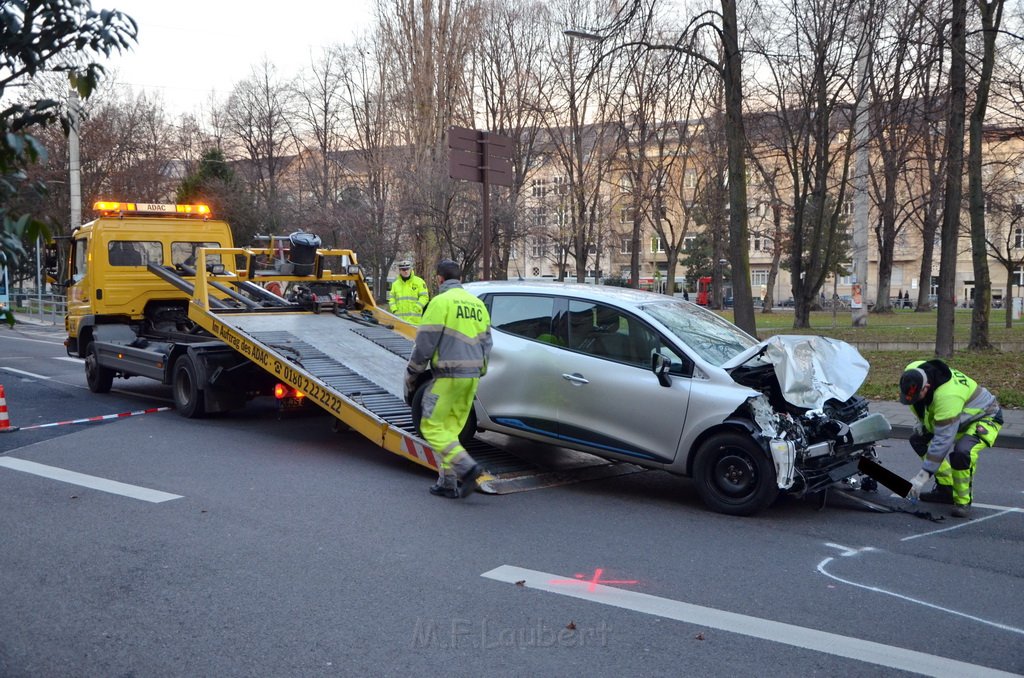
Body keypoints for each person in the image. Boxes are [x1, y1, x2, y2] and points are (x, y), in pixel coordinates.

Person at [404, 259, 492, 499]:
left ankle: (468, 468)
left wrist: (412, 373)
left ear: (439, 279)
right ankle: (447, 482)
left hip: (448, 377)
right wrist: (479, 371)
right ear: (459, 278)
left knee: (431, 426)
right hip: (472, 378)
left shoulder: (439, 303)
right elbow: (487, 343)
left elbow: (424, 345)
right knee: (450, 430)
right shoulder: (477, 305)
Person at [899, 359, 1003, 518]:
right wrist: (921, 421)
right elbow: (921, 404)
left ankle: (962, 501)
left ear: (926, 387)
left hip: (982, 417)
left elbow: (942, 441)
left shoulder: (948, 396)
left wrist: (922, 477)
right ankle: (946, 489)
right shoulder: (914, 371)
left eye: (916, 396)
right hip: (954, 416)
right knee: (917, 440)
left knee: (962, 452)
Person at [388, 259, 429, 325]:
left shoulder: (419, 282)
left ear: (411, 269)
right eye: (403, 269)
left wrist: (417, 308)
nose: (406, 271)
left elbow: (424, 297)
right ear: (400, 271)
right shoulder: (395, 284)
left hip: (415, 321)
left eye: (407, 269)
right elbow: (391, 299)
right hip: (399, 320)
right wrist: (394, 310)